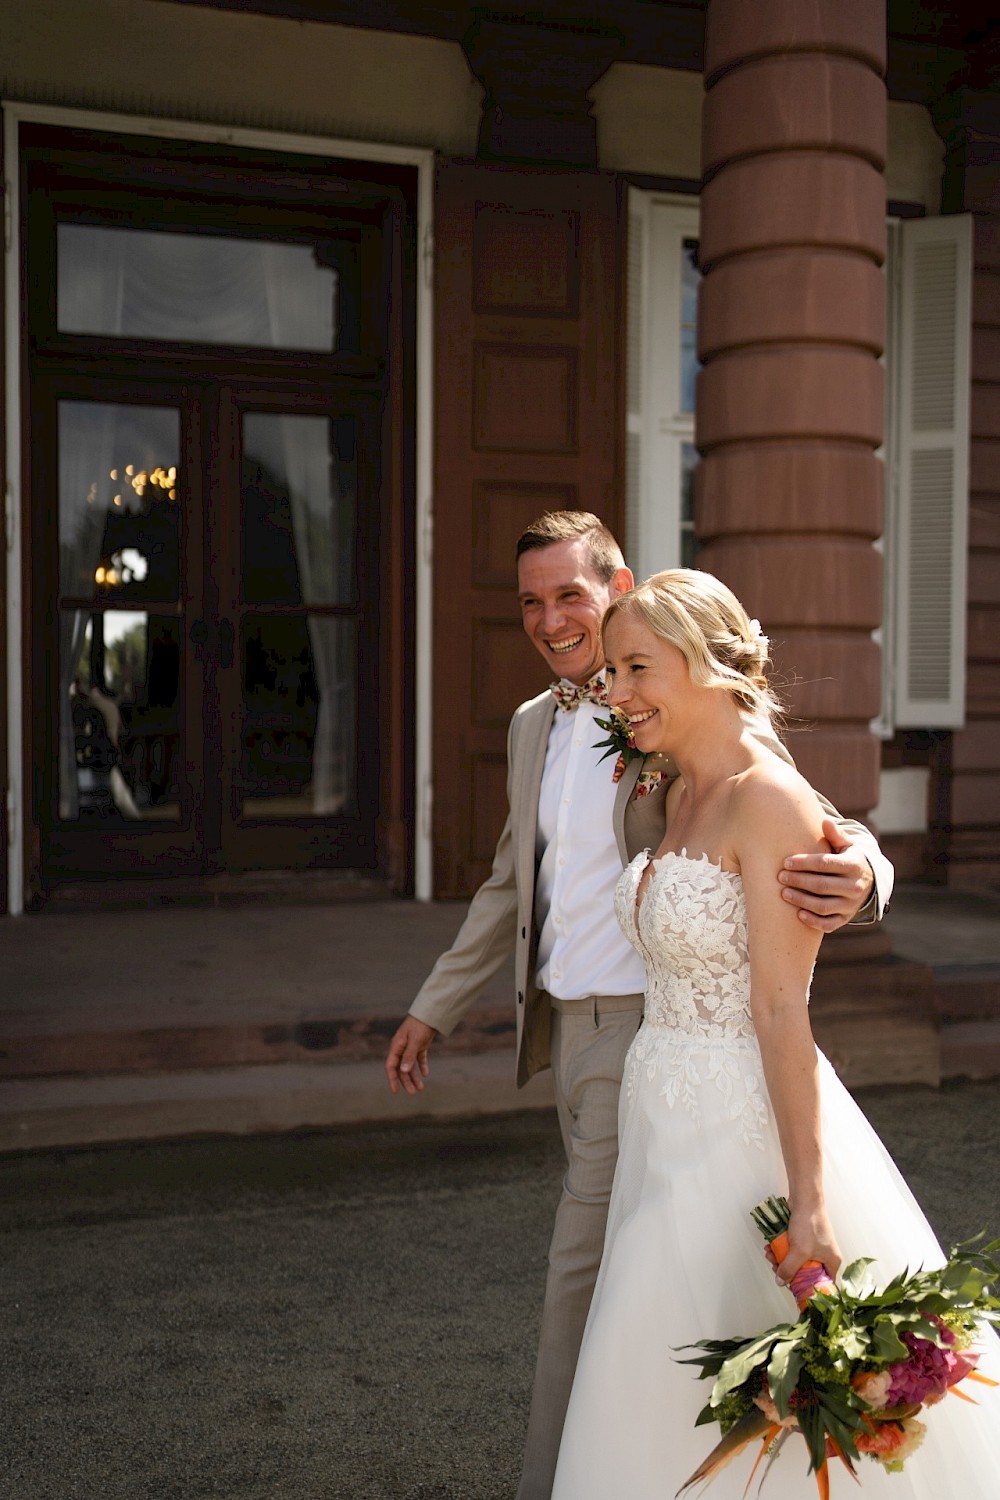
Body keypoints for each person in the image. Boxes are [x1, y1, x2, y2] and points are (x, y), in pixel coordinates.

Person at [384, 513, 893, 1500]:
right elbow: (508, 884)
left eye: (569, 594)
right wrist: (432, 1007)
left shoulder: (667, 703)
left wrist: (863, 870)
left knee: (587, 1278)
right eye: (530, 602)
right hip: (574, 1043)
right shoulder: (535, 725)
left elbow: (792, 804)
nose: (550, 619)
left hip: (659, 1028)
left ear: (618, 589)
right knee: (660, 1280)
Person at [551, 569, 1000, 1499]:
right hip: (658, 1114)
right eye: (611, 671)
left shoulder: (770, 800)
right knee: (671, 1372)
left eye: (637, 668)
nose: (616, 691)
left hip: (738, 1128)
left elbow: (779, 1009)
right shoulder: (670, 784)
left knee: (754, 1381)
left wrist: (811, 1202)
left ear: (713, 664)